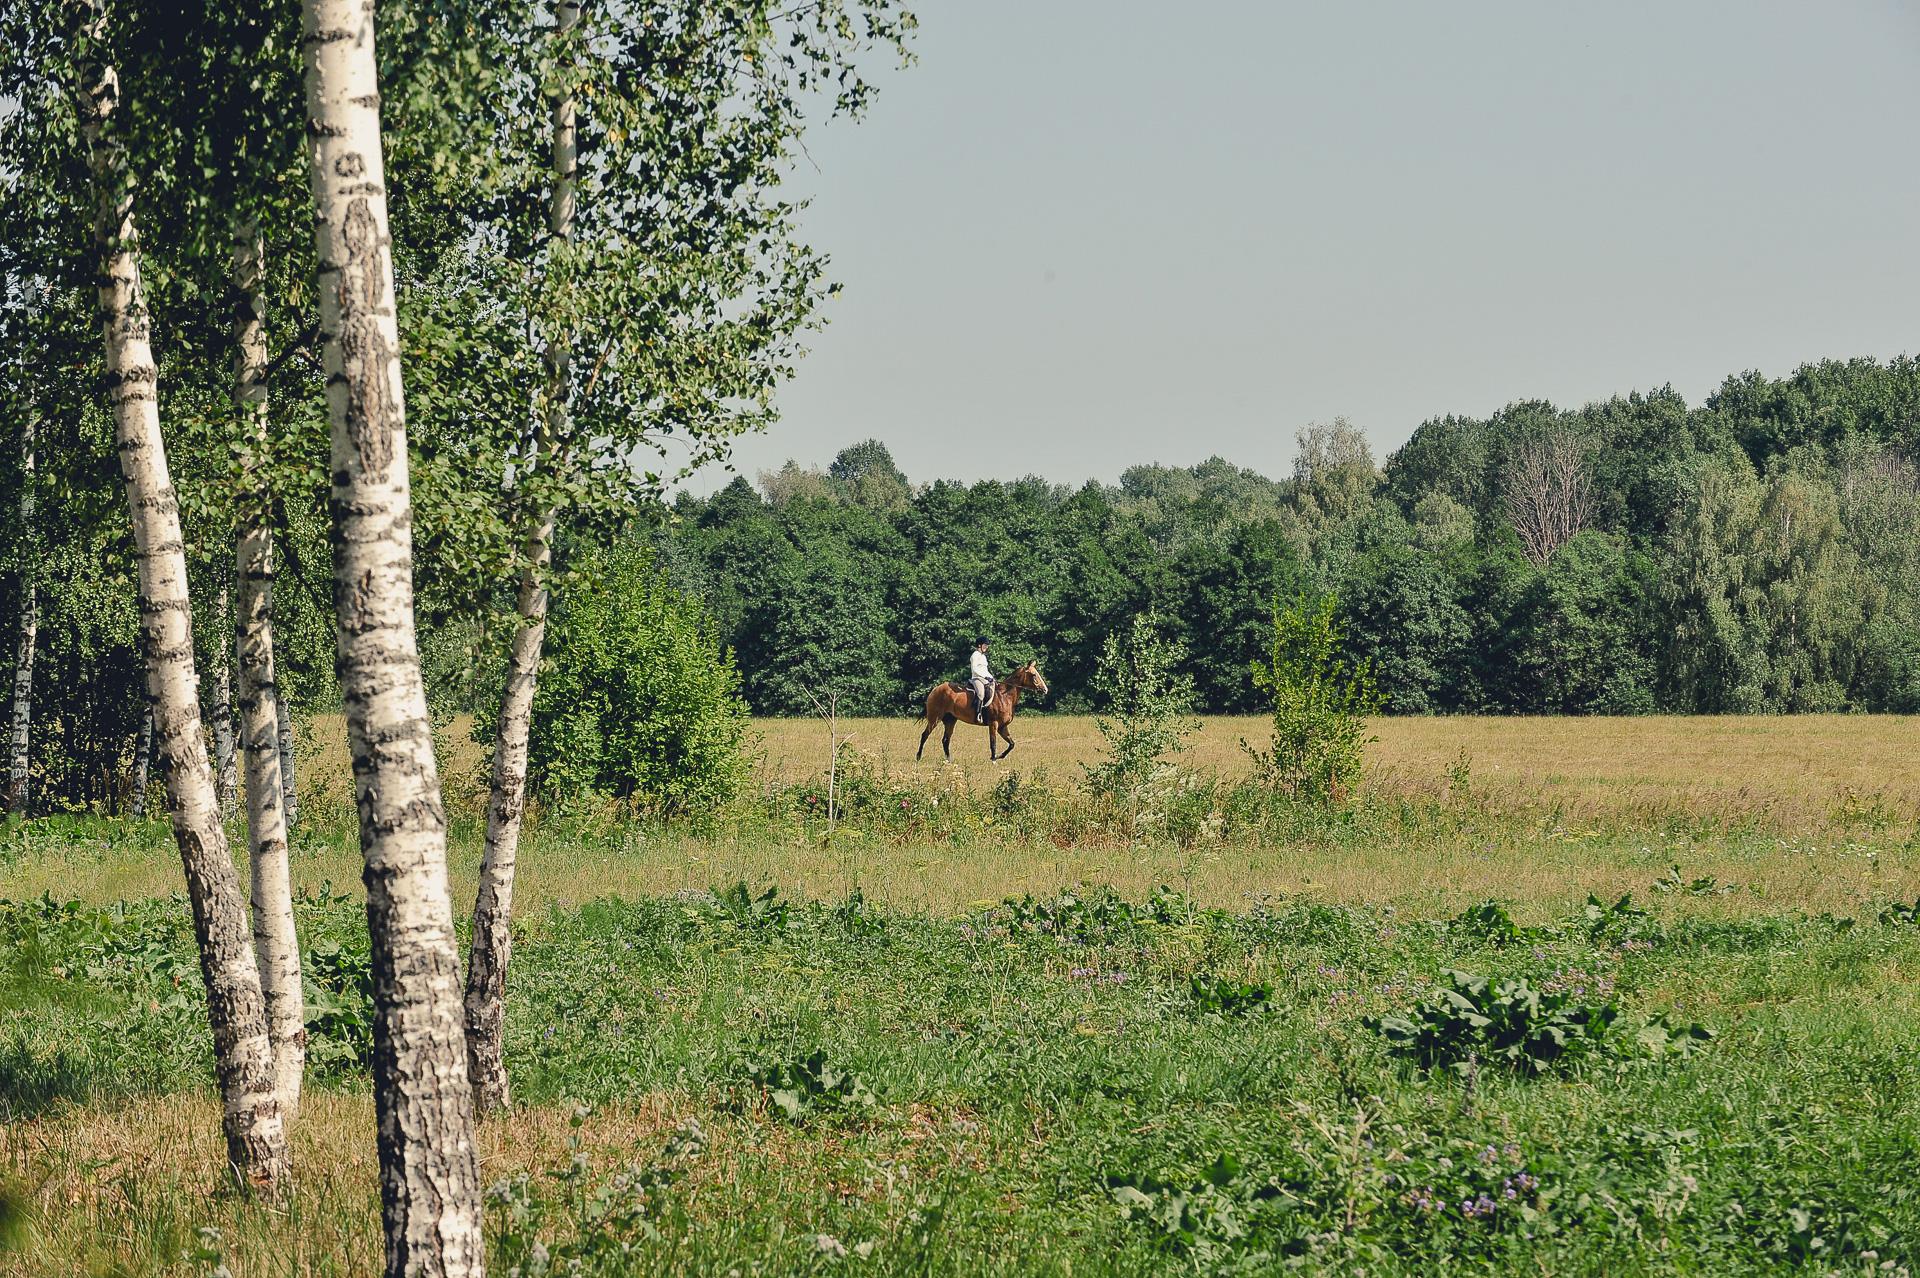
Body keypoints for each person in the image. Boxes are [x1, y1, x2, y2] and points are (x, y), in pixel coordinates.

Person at [968, 638, 994, 722]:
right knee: (981, 693)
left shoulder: (983, 657)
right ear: (979, 645)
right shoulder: (974, 655)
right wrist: (985, 677)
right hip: (976, 678)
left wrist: (992, 678)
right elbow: (975, 669)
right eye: (985, 645)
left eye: (987, 645)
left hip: (984, 678)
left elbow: (985, 670)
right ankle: (978, 714)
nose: (986, 647)